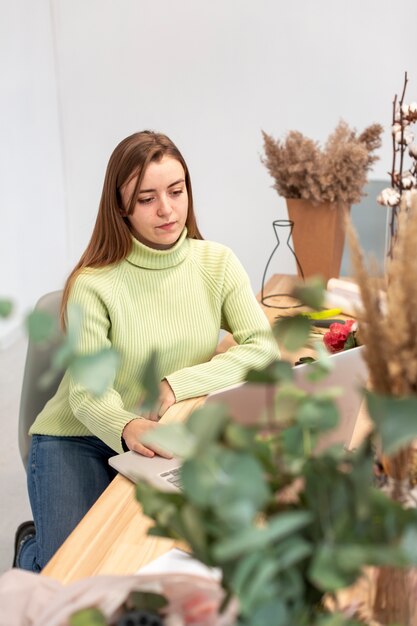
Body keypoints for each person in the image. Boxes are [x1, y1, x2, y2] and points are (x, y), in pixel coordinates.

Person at [14, 130, 280, 571]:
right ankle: (31, 551)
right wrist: (128, 424)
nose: (167, 209)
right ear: (121, 206)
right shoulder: (93, 284)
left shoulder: (217, 262)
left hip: (164, 431)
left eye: (176, 192)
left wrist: (175, 385)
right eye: (145, 198)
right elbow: (85, 395)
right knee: (70, 573)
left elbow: (262, 348)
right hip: (76, 439)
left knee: (158, 559)